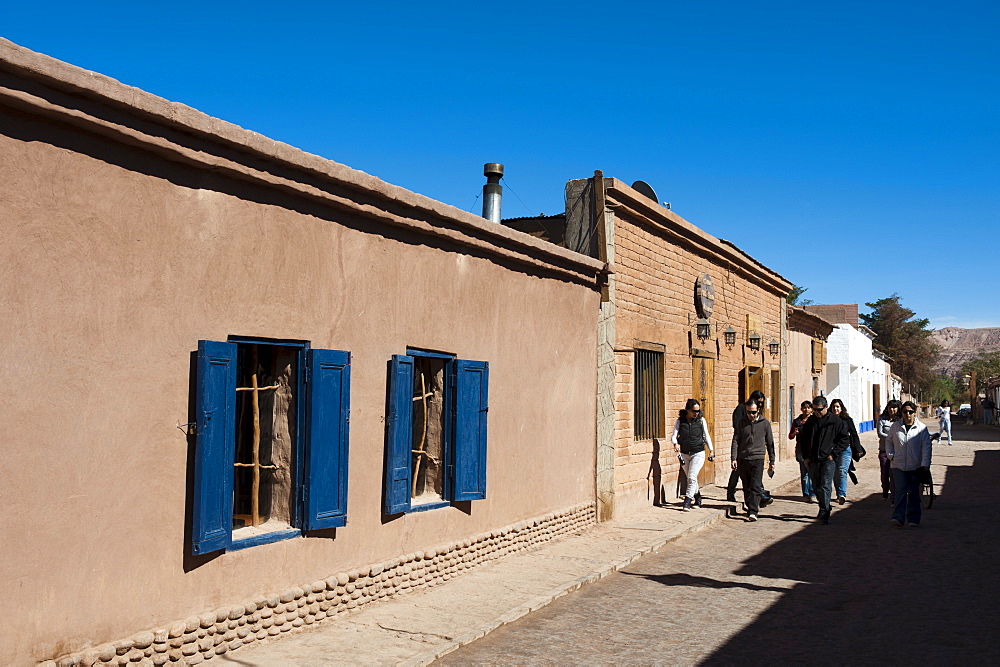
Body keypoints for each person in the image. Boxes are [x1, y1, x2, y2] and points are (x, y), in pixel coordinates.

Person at [800, 395, 850, 525]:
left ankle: (824, 511)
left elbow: (844, 440)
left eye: (820, 410)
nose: (817, 412)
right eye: (815, 409)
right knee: (816, 486)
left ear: (826, 407)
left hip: (828, 459)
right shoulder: (810, 422)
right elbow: (803, 441)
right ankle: (825, 505)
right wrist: (805, 457)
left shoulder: (835, 422)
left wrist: (834, 453)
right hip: (813, 459)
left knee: (825, 485)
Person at [886, 401, 933, 528]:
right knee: (900, 491)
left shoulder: (921, 428)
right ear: (901, 413)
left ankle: (913, 518)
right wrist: (891, 456)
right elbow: (889, 441)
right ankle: (898, 517)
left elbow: (926, 447)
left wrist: (925, 464)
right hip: (898, 465)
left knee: (913, 492)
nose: (908, 414)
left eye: (910, 412)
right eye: (905, 411)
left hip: (915, 465)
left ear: (914, 413)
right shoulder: (895, 427)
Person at [730, 399, 775, 522]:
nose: (751, 415)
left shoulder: (765, 423)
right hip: (743, 458)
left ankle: (753, 511)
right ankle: (750, 505)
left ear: (758, 410)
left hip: (758, 458)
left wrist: (772, 461)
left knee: (755, 485)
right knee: (746, 485)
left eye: (754, 412)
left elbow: (770, 443)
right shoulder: (741, 423)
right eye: (749, 412)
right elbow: (736, 440)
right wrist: (733, 458)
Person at [671, 399, 715, 511]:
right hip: (685, 453)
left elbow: (706, 435)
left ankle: (687, 500)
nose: (696, 413)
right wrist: (675, 443)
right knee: (691, 478)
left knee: (691, 476)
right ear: (687, 410)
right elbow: (674, 435)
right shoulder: (680, 421)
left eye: (698, 411)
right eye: (693, 411)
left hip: (698, 452)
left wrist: (711, 450)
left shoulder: (701, 421)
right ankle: (698, 497)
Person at [727, 390, 769, 502]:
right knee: (737, 471)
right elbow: (737, 426)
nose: (760, 404)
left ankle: (759, 494)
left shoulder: (757, 411)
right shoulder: (741, 409)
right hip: (742, 445)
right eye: (759, 401)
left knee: (755, 474)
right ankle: (730, 492)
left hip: (753, 448)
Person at [829, 398, 861, 505]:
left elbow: (854, 434)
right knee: (835, 473)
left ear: (841, 408)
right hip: (832, 450)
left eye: (837, 407)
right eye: (833, 407)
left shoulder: (847, 420)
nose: (835, 409)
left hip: (845, 449)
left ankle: (842, 494)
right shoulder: (828, 420)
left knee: (842, 470)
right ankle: (838, 493)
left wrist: (858, 449)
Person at [789, 400, 814, 502]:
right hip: (801, 449)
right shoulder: (797, 421)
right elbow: (790, 436)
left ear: (811, 409)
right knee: (804, 473)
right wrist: (795, 433)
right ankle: (806, 494)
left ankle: (812, 493)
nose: (806, 409)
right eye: (804, 407)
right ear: (801, 409)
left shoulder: (814, 420)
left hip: (812, 449)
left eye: (808, 407)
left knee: (812, 472)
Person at [876, 400, 902, 500]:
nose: (892, 409)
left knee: (894, 474)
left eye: (894, 407)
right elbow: (880, 433)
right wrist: (892, 437)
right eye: (890, 407)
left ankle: (893, 496)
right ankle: (885, 490)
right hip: (884, 450)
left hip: (897, 451)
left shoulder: (900, 420)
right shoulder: (882, 419)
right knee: (885, 473)